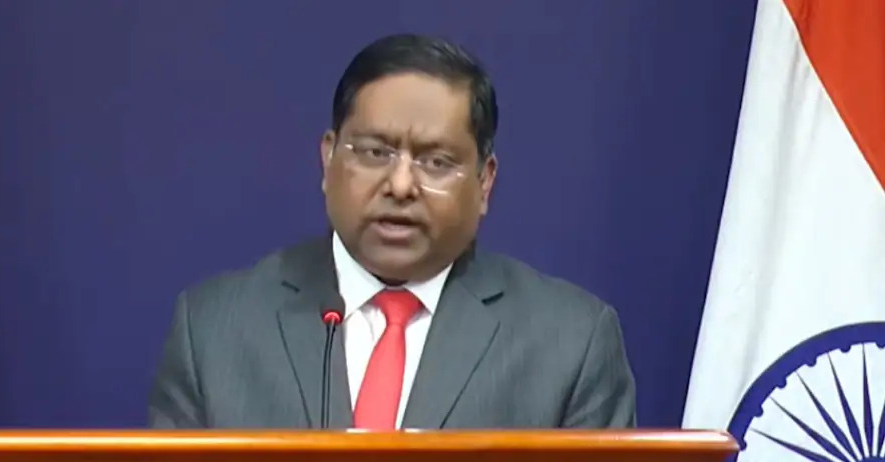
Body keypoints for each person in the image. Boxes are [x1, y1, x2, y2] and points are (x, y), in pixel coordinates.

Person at [148, 33, 636, 430]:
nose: (401, 185)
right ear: (328, 159)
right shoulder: (213, 331)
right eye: (375, 153)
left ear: (484, 181)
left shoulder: (570, 345)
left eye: (436, 162)